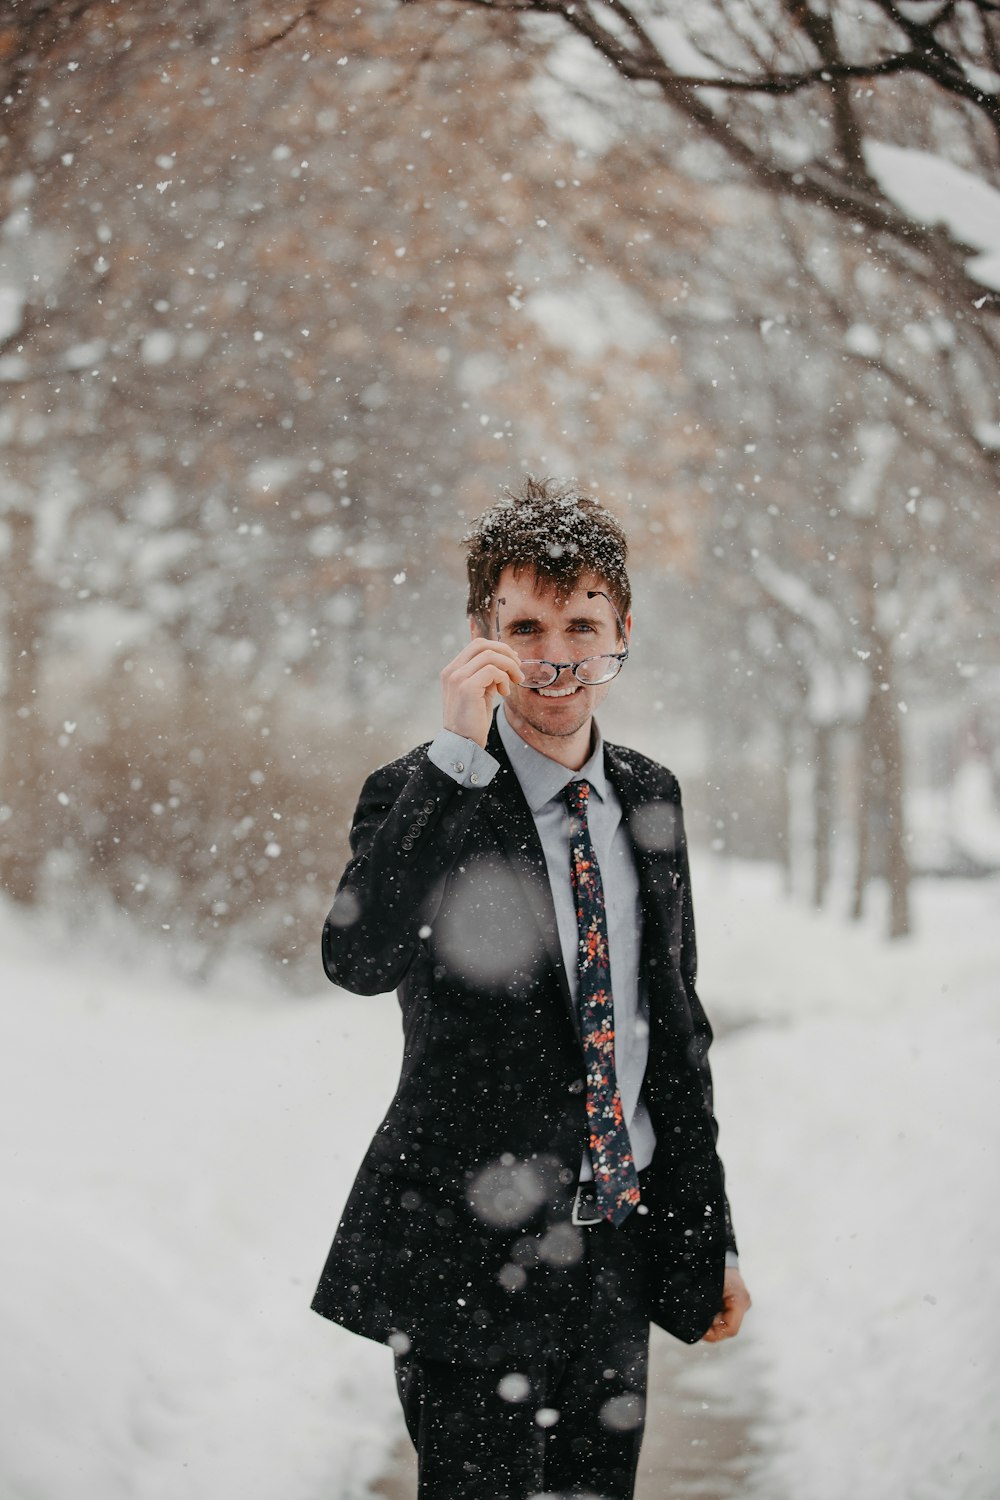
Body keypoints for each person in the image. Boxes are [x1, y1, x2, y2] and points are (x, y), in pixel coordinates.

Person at [311, 476, 751, 1500]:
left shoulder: (648, 795)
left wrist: (705, 1237)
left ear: (623, 629)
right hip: (467, 1253)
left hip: (616, 1249)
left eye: (582, 625)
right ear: (481, 635)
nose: (557, 656)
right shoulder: (423, 791)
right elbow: (358, 959)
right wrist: (458, 757)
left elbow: (671, 1034)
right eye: (525, 625)